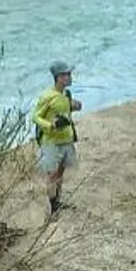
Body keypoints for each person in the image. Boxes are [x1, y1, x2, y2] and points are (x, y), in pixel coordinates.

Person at [33, 61, 81, 217]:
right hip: (51, 141)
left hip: (65, 139)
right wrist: (51, 125)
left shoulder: (66, 94)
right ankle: (53, 207)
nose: (69, 77)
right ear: (58, 77)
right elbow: (36, 117)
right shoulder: (47, 96)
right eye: (66, 74)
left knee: (61, 172)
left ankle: (57, 201)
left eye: (69, 74)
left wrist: (74, 106)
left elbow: (66, 111)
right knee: (52, 174)